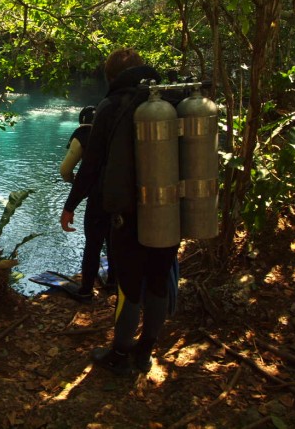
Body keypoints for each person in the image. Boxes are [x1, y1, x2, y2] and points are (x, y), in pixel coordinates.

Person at [59, 48, 179, 376]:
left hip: (129, 216)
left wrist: (70, 205)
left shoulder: (111, 107)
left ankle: (120, 352)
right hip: (170, 211)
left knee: (129, 285)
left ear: (110, 77)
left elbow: (92, 166)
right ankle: (145, 353)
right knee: (157, 281)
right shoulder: (171, 102)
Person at [59, 105, 115, 302]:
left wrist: (73, 186)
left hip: (98, 196)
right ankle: (113, 282)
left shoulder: (83, 133)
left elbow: (65, 169)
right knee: (113, 238)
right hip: (121, 192)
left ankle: (86, 290)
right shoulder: (116, 130)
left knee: (93, 242)